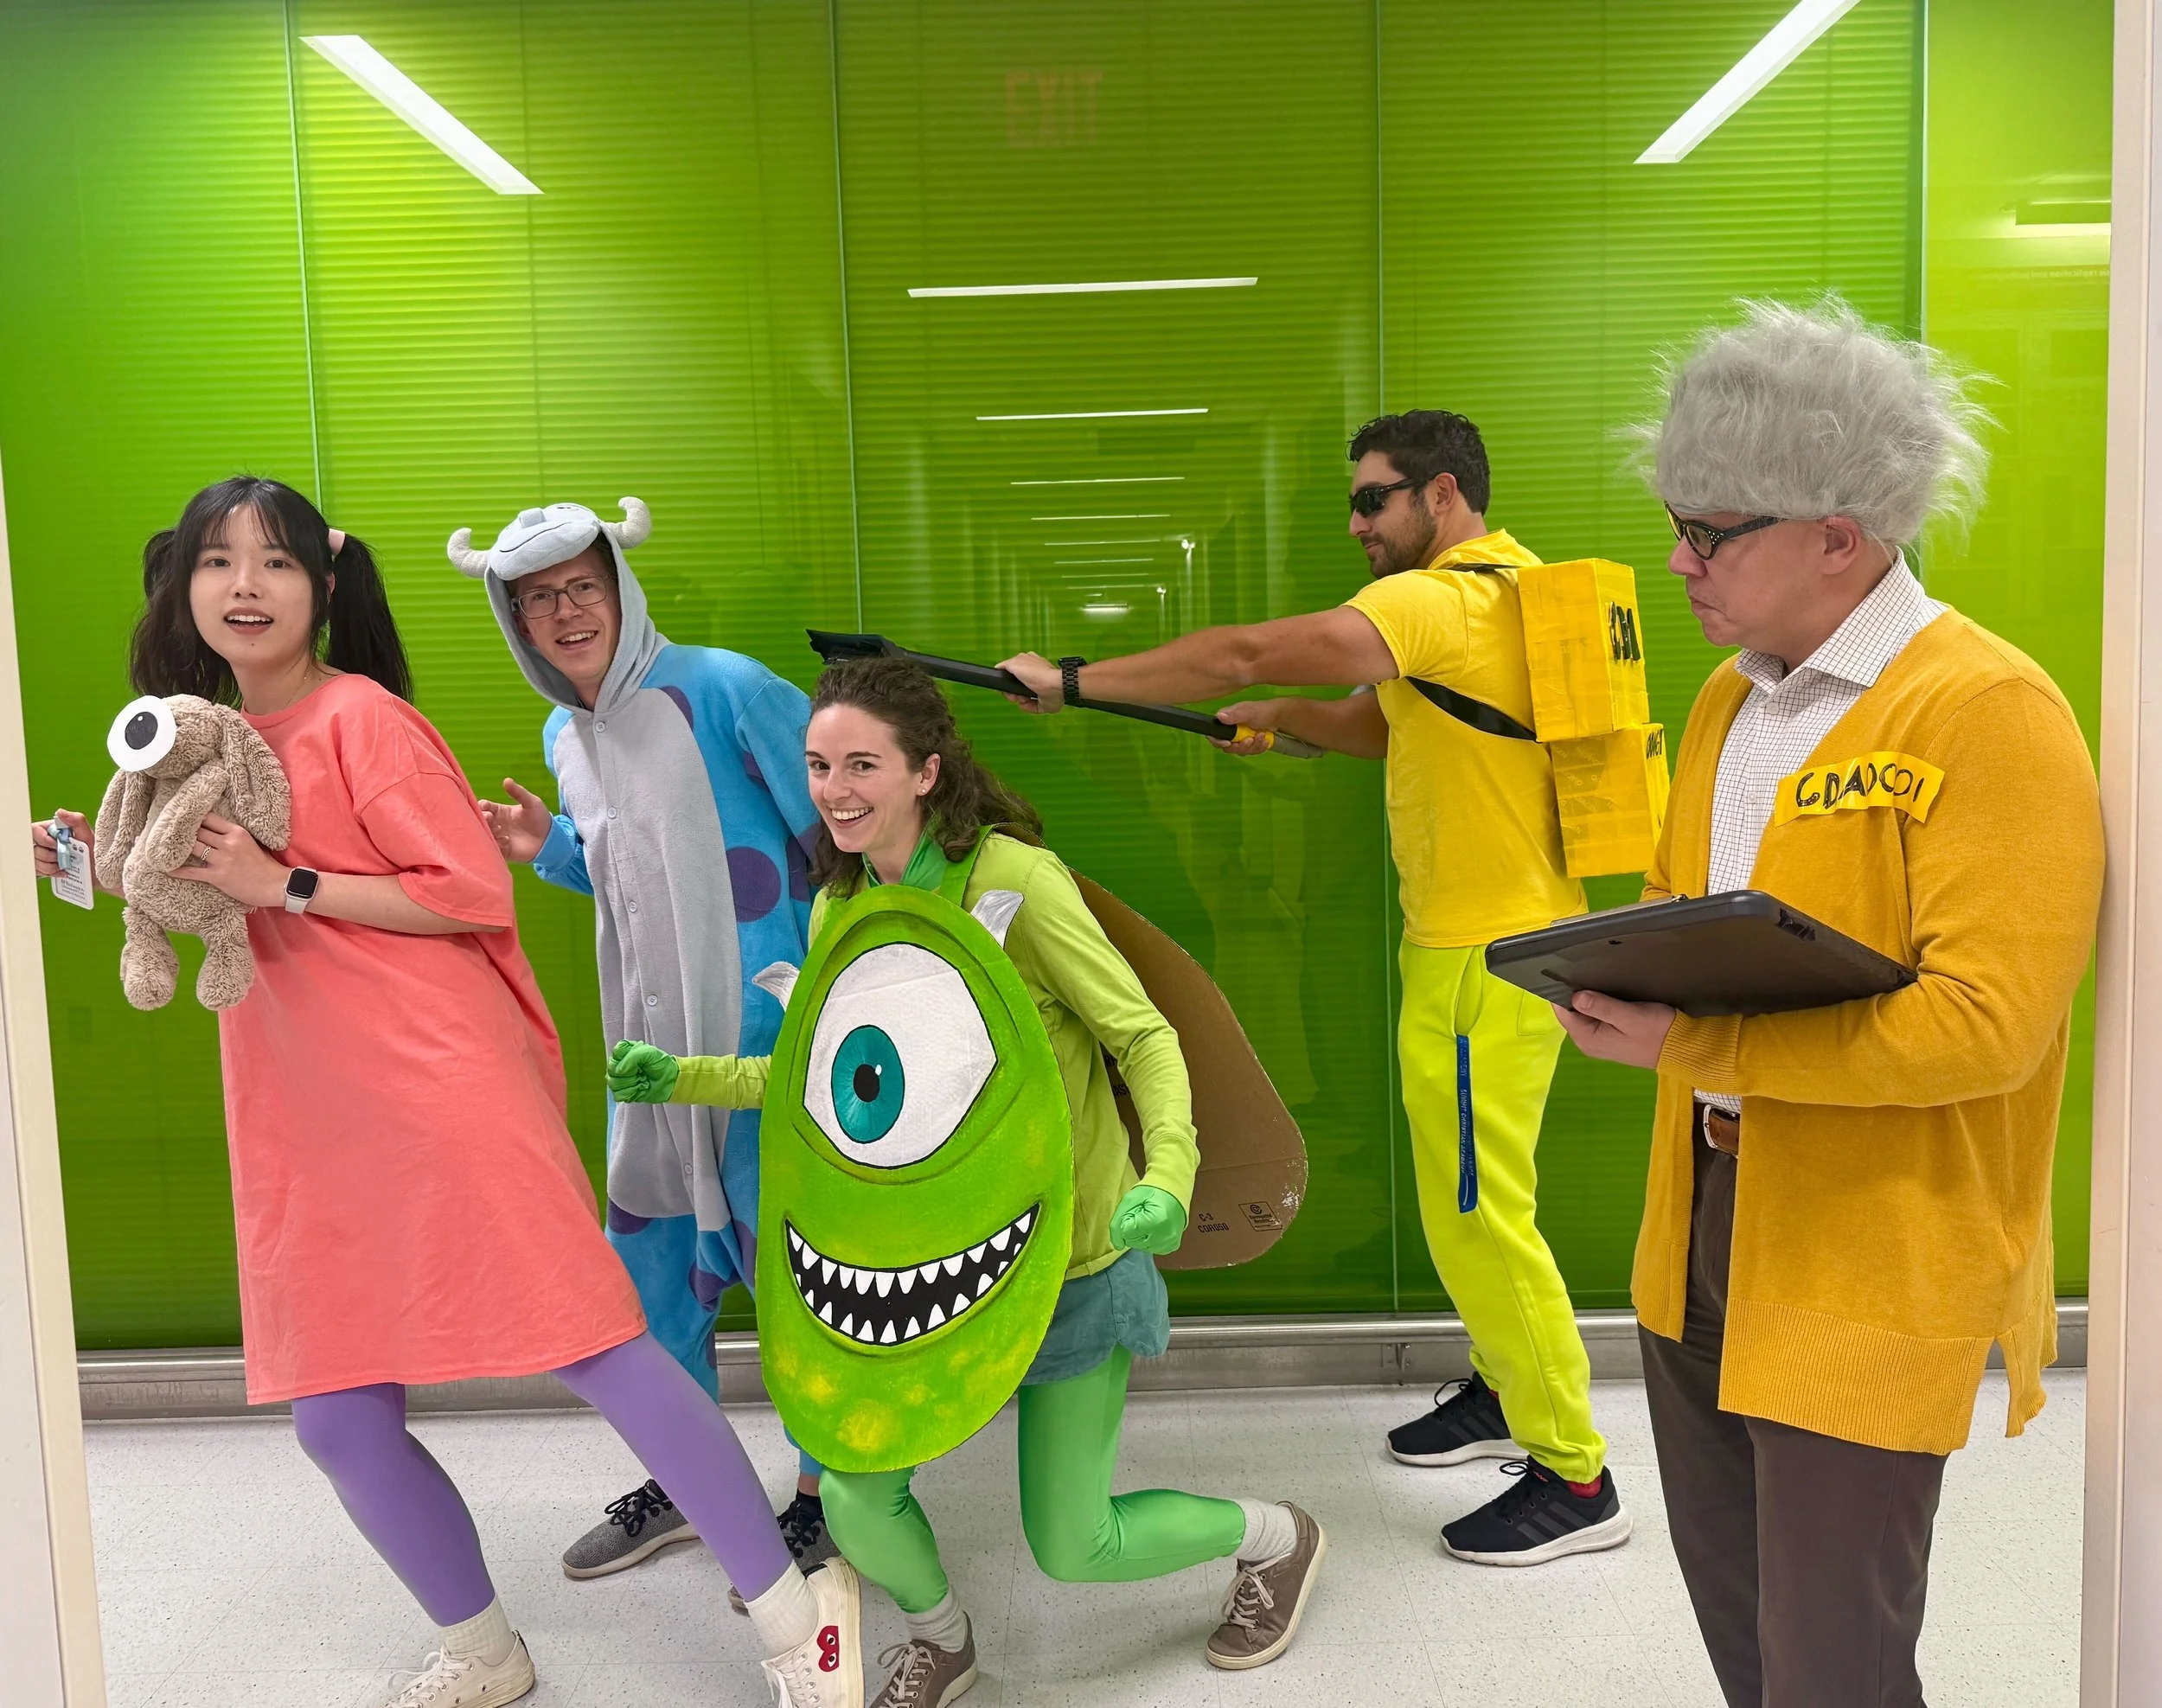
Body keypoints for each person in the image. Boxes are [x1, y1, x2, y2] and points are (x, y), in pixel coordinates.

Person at [35, 477, 862, 1708]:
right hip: (303, 1108)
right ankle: (485, 1650)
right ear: (183, 585)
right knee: (335, 1416)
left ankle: (802, 1624)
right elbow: (219, 892)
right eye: (218, 561)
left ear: (325, 585)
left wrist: (281, 883)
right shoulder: (208, 739)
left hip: (438, 1086)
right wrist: (103, 862)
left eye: (275, 561)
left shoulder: (363, 718)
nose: (245, 585)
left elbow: (465, 887)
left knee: (600, 1345)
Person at [1557, 299, 2105, 1707]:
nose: (1679, 561)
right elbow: (1684, 911)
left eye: (1711, 531)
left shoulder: (1985, 710)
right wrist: (1610, 976)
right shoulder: (1727, 705)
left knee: (1832, 1663)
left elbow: (1987, 1026)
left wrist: (1694, 1039)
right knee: (1745, 1634)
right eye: (1677, 523)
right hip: (1702, 1215)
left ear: (1839, 538)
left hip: (1874, 1239)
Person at [609, 657, 1327, 1707]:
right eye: (818, 765)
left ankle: (1275, 1537)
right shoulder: (842, 908)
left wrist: (1169, 1173)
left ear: (926, 771)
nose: (835, 789)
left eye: (862, 764)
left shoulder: (1014, 881)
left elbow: (1141, 1036)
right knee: (853, 1491)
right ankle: (941, 1640)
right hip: (924, 1273)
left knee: (1075, 1543)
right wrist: (685, 1077)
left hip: (1070, 1258)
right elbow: (830, 1082)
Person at [995, 412, 1628, 1565]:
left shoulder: (1439, 600)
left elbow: (1244, 652)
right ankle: (1506, 1387)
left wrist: (1072, 681)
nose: (1355, 522)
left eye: (1373, 498)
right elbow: (1394, 730)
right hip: (1482, 943)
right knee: (1469, 1196)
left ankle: (1576, 1474)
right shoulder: (1504, 595)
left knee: (1482, 1213)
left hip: (1488, 959)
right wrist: (1287, 721)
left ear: (1442, 495)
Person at [449, 499, 834, 1586]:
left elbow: (843, 829)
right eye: (538, 599)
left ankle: (827, 1497)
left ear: (620, 586)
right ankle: (688, 1483)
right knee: (650, 1284)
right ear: (514, 620)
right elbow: (632, 877)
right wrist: (549, 846)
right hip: (650, 1060)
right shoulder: (563, 735)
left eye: (582, 586)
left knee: (800, 1280)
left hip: (766, 1047)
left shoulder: (729, 687)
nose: (566, 612)